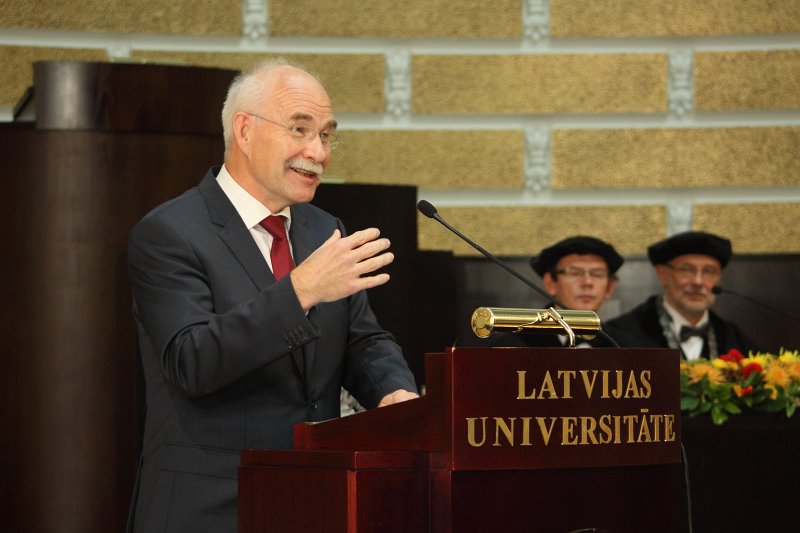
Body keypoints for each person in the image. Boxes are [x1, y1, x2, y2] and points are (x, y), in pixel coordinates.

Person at [125, 59, 419, 533]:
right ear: (244, 130)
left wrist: (395, 392)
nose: (318, 152)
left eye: (326, 135)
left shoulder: (324, 229)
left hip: (314, 499)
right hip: (211, 508)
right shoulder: (170, 233)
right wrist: (300, 290)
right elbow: (192, 360)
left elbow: (362, 340)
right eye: (300, 130)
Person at [603, 231, 759, 359]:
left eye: (709, 271)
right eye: (687, 269)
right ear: (662, 273)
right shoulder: (621, 335)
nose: (698, 282)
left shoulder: (735, 339)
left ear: (718, 278)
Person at [491, 236, 623, 348]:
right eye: (575, 273)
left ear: (610, 287)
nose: (587, 282)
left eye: (597, 274)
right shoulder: (513, 346)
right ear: (550, 284)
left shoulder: (622, 346)